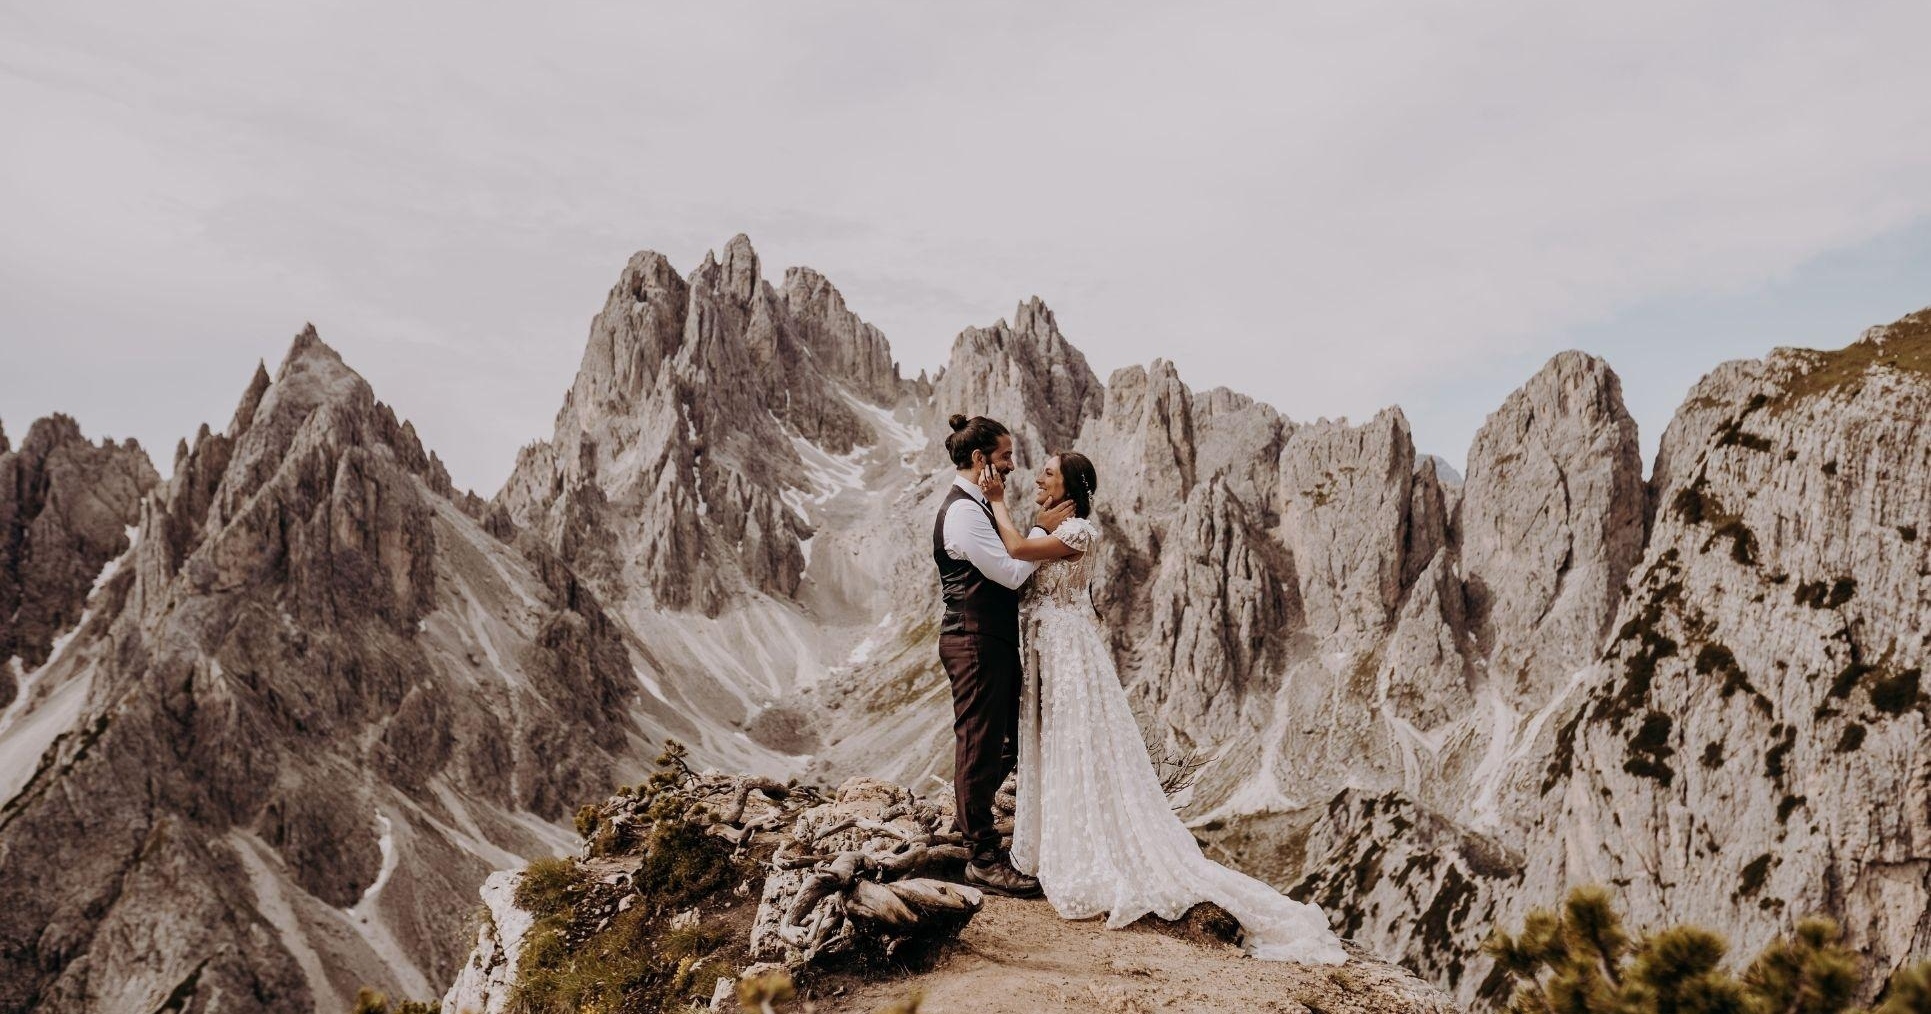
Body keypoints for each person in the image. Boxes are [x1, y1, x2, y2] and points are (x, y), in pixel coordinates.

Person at [982, 449, 1350, 965]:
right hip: (1046, 646)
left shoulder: (1079, 532)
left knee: (1072, 740)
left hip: (1066, 650)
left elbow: (1018, 549)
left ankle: (1084, 851)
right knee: (1053, 743)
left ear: (1070, 488)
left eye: (1048, 472)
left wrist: (994, 501)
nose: (1037, 478)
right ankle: (1053, 844)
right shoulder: (1054, 525)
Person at [931, 413, 1073, 897]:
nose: (1013, 465)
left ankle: (972, 826)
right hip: (972, 640)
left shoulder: (981, 507)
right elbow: (1012, 575)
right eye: (1006, 456)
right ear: (980, 459)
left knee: (1003, 744)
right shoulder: (965, 513)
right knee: (979, 743)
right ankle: (982, 857)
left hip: (991, 640)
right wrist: (1037, 531)